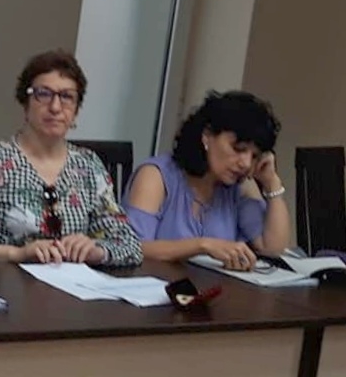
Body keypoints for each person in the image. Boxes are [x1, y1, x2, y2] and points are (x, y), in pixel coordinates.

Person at [0, 50, 142, 266]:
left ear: (76, 110)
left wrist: (97, 250)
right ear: (26, 103)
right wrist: (18, 254)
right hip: (7, 280)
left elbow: (129, 244)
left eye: (66, 97)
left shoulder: (88, 165)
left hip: (73, 283)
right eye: (44, 94)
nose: (55, 107)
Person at [122, 91, 288, 270]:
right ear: (207, 136)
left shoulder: (239, 187)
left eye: (255, 156)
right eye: (238, 149)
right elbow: (132, 247)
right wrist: (202, 245)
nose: (246, 163)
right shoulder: (155, 176)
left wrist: (272, 183)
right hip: (157, 283)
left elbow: (272, 249)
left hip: (211, 286)